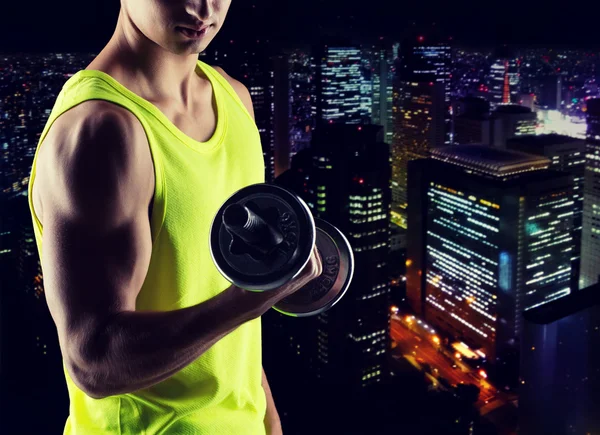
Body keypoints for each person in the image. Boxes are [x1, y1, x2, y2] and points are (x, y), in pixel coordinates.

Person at [26, 1, 323, 434]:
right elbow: (94, 361)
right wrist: (249, 300)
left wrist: (267, 420)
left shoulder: (234, 98)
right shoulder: (101, 130)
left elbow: (225, 326)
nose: (202, 7)